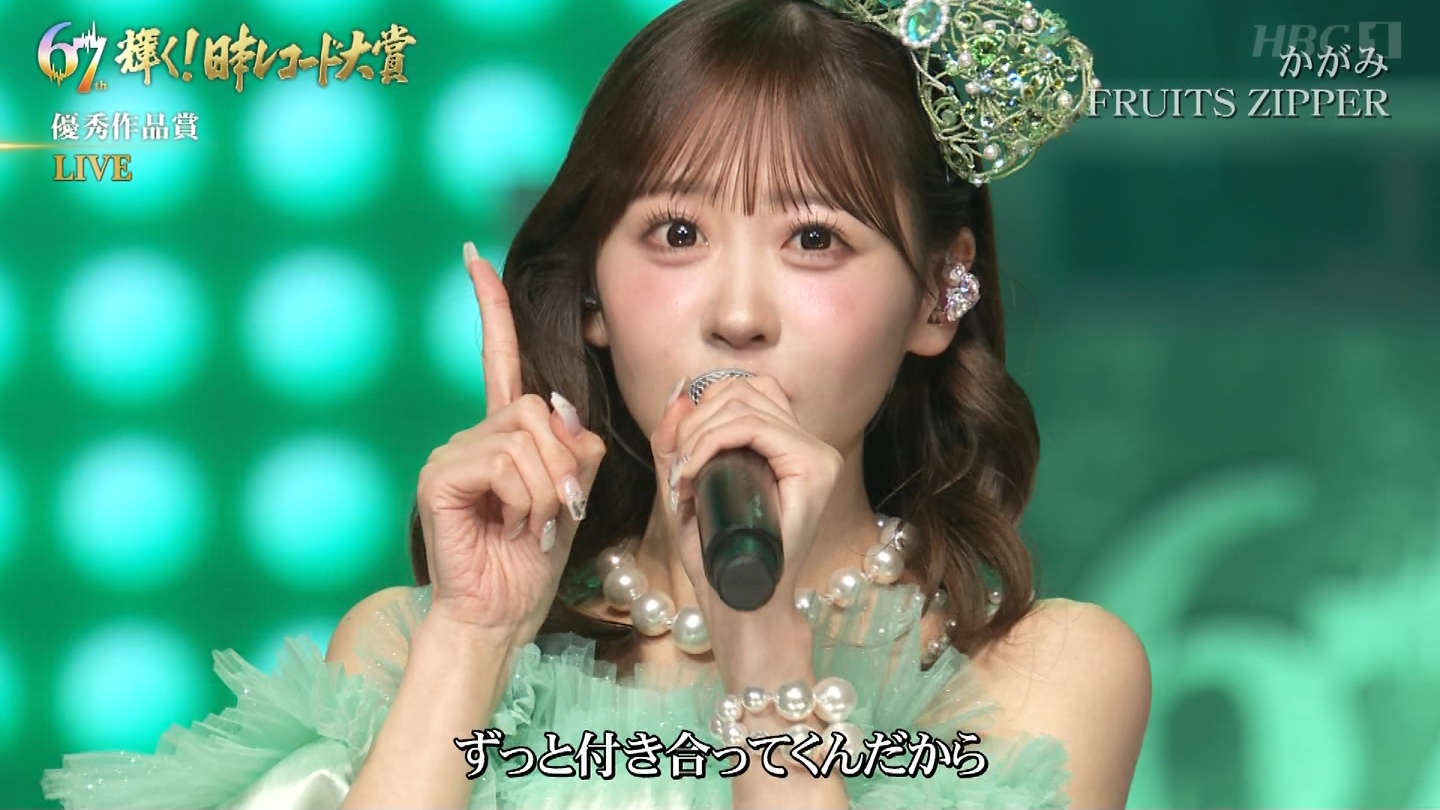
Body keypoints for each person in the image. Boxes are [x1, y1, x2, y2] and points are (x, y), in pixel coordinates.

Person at [42, 0, 1150, 807]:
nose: (738, 315)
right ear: (594, 300)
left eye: (815, 238)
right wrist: (474, 638)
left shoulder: (1043, 675)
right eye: (678, 233)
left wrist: (762, 643)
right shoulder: (403, 645)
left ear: (939, 293)